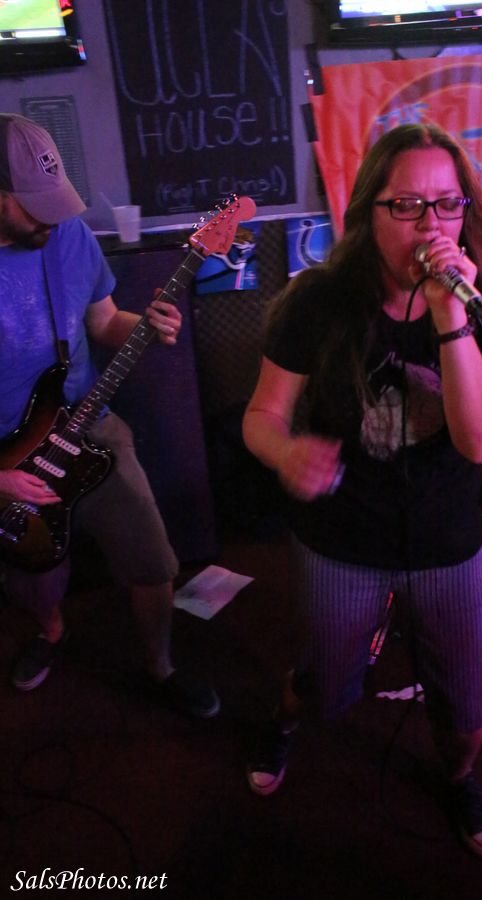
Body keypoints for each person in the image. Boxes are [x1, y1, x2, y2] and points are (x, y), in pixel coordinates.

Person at [242, 123, 482, 859]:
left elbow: (480, 442)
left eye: (447, 203)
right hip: (342, 537)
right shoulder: (318, 301)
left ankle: (458, 780)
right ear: (369, 211)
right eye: (406, 205)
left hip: (446, 541)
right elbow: (262, 416)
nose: (430, 225)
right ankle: (283, 722)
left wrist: (450, 314)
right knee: (326, 682)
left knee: (465, 704)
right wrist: (286, 450)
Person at [0, 113, 219, 719]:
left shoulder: (69, 236)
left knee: (153, 560)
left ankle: (161, 665)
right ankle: (51, 630)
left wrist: (145, 326)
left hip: (88, 426)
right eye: (34, 206)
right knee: (36, 578)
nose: (51, 219)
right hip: (7, 458)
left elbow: (103, 324)